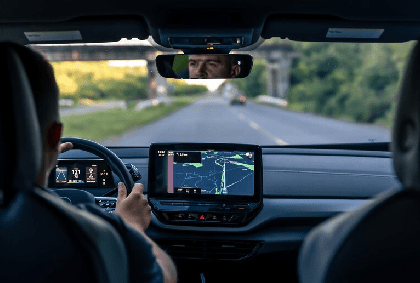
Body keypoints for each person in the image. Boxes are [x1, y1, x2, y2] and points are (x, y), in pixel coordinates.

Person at [11, 42, 177, 283]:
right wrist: (130, 226)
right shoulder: (91, 238)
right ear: (55, 136)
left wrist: (39, 159)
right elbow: (166, 278)